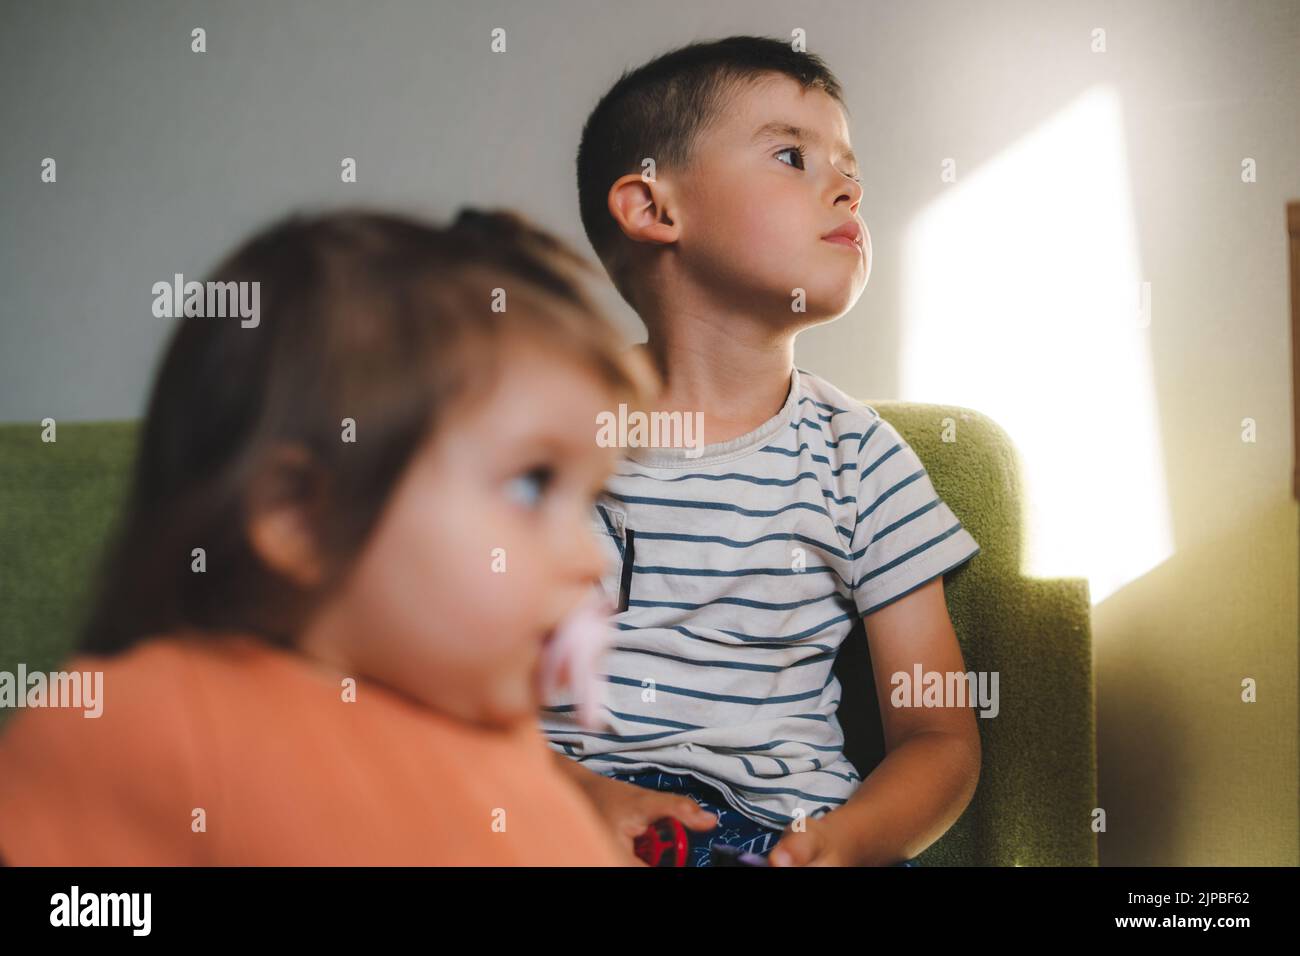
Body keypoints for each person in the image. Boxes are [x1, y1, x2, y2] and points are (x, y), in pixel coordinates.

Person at [0, 208, 647, 866]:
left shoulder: (497, 730)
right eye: (531, 485)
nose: (586, 558)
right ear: (299, 517)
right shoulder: (155, 722)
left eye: (590, 498)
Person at [543, 36, 983, 867]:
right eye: (793, 155)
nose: (848, 186)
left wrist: (847, 841)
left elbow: (938, 735)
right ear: (652, 208)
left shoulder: (864, 460)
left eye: (851, 168)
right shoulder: (537, 439)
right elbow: (430, 692)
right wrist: (577, 796)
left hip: (774, 833)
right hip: (548, 814)